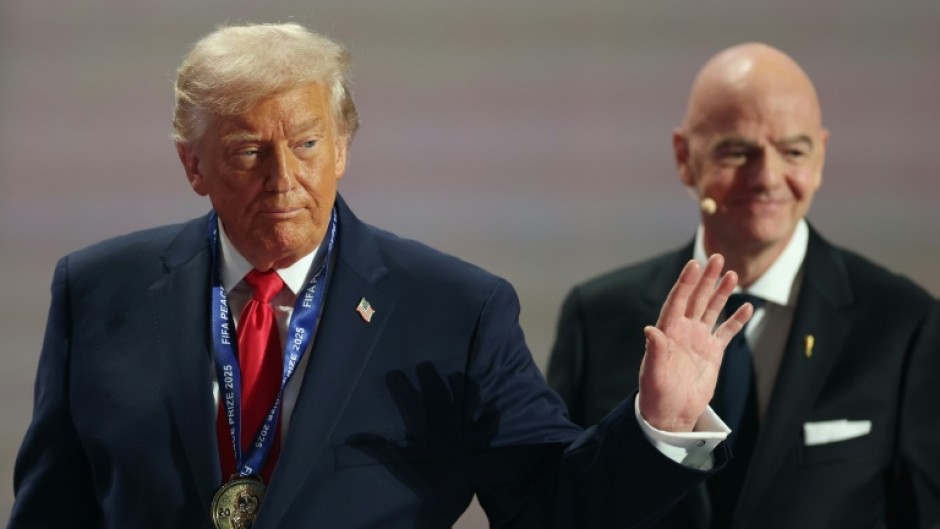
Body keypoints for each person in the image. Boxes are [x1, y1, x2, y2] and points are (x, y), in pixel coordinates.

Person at [8, 23, 754, 529]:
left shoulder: (454, 310)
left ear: (342, 148)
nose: (282, 178)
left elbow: (551, 504)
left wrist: (657, 424)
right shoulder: (99, 292)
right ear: (192, 164)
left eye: (304, 143)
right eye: (245, 152)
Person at [547, 42, 940, 529]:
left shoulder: (902, 323)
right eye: (738, 152)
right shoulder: (598, 318)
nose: (768, 178)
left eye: (793, 151)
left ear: (820, 158)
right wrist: (658, 430)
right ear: (685, 157)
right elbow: (557, 509)